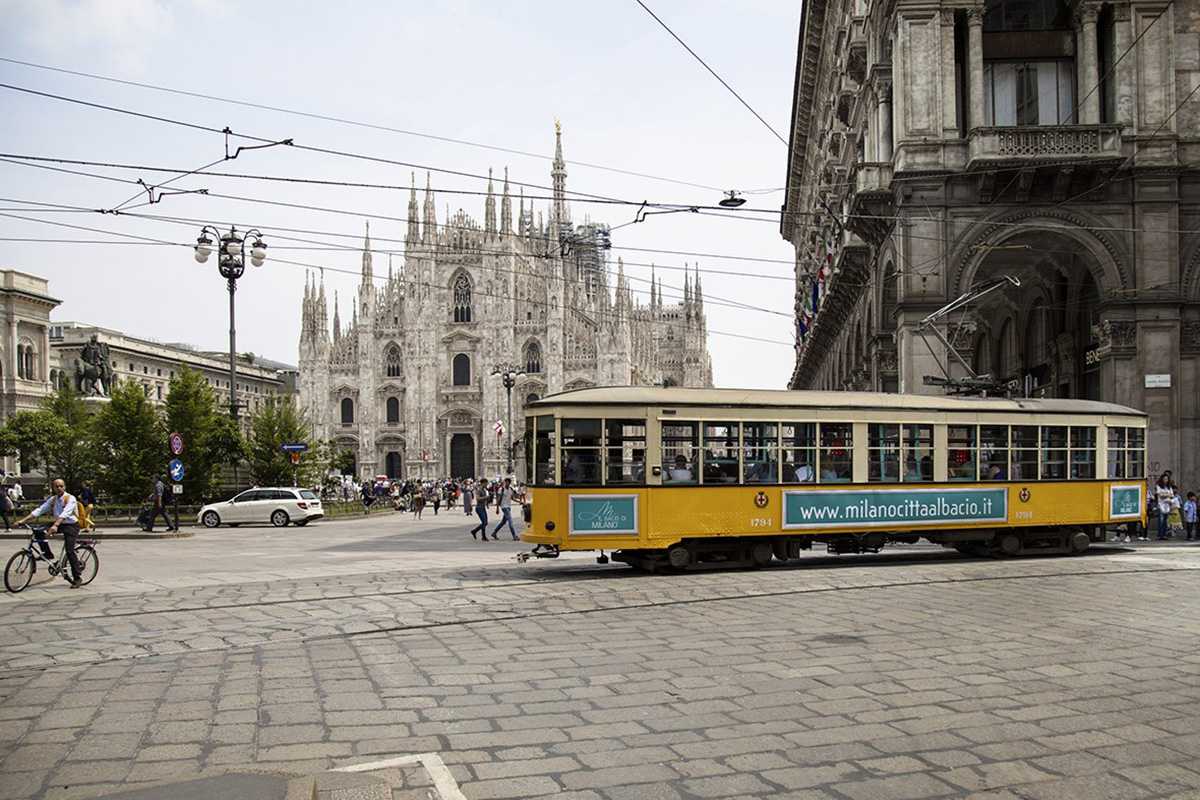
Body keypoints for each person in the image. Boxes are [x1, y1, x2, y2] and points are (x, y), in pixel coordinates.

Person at [16, 478, 84, 588]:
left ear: (64, 487)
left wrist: (55, 525)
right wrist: (23, 520)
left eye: (61, 486)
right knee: (38, 530)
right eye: (56, 486)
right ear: (53, 488)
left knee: (69, 550)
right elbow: (40, 510)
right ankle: (47, 553)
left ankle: (77, 577)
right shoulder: (53, 499)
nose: (59, 488)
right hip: (59, 523)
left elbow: (65, 513)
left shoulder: (70, 498)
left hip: (71, 525)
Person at [469, 477, 490, 541]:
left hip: (483, 507)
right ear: (483, 483)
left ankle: (479, 534)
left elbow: (484, 498)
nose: (487, 485)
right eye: (486, 483)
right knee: (484, 522)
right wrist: (486, 497)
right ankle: (476, 532)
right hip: (479, 508)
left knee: (485, 522)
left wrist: (487, 503)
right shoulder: (479, 490)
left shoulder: (484, 490)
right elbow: (478, 498)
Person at [1155, 473, 1174, 540]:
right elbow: (1160, 495)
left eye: (1167, 479)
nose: (1165, 480)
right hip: (1161, 505)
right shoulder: (1158, 486)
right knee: (1161, 520)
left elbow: (1172, 495)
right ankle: (1160, 535)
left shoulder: (1169, 487)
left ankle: (1164, 534)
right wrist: (1167, 495)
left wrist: (1165, 494)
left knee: (1165, 521)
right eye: (1164, 479)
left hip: (1167, 505)